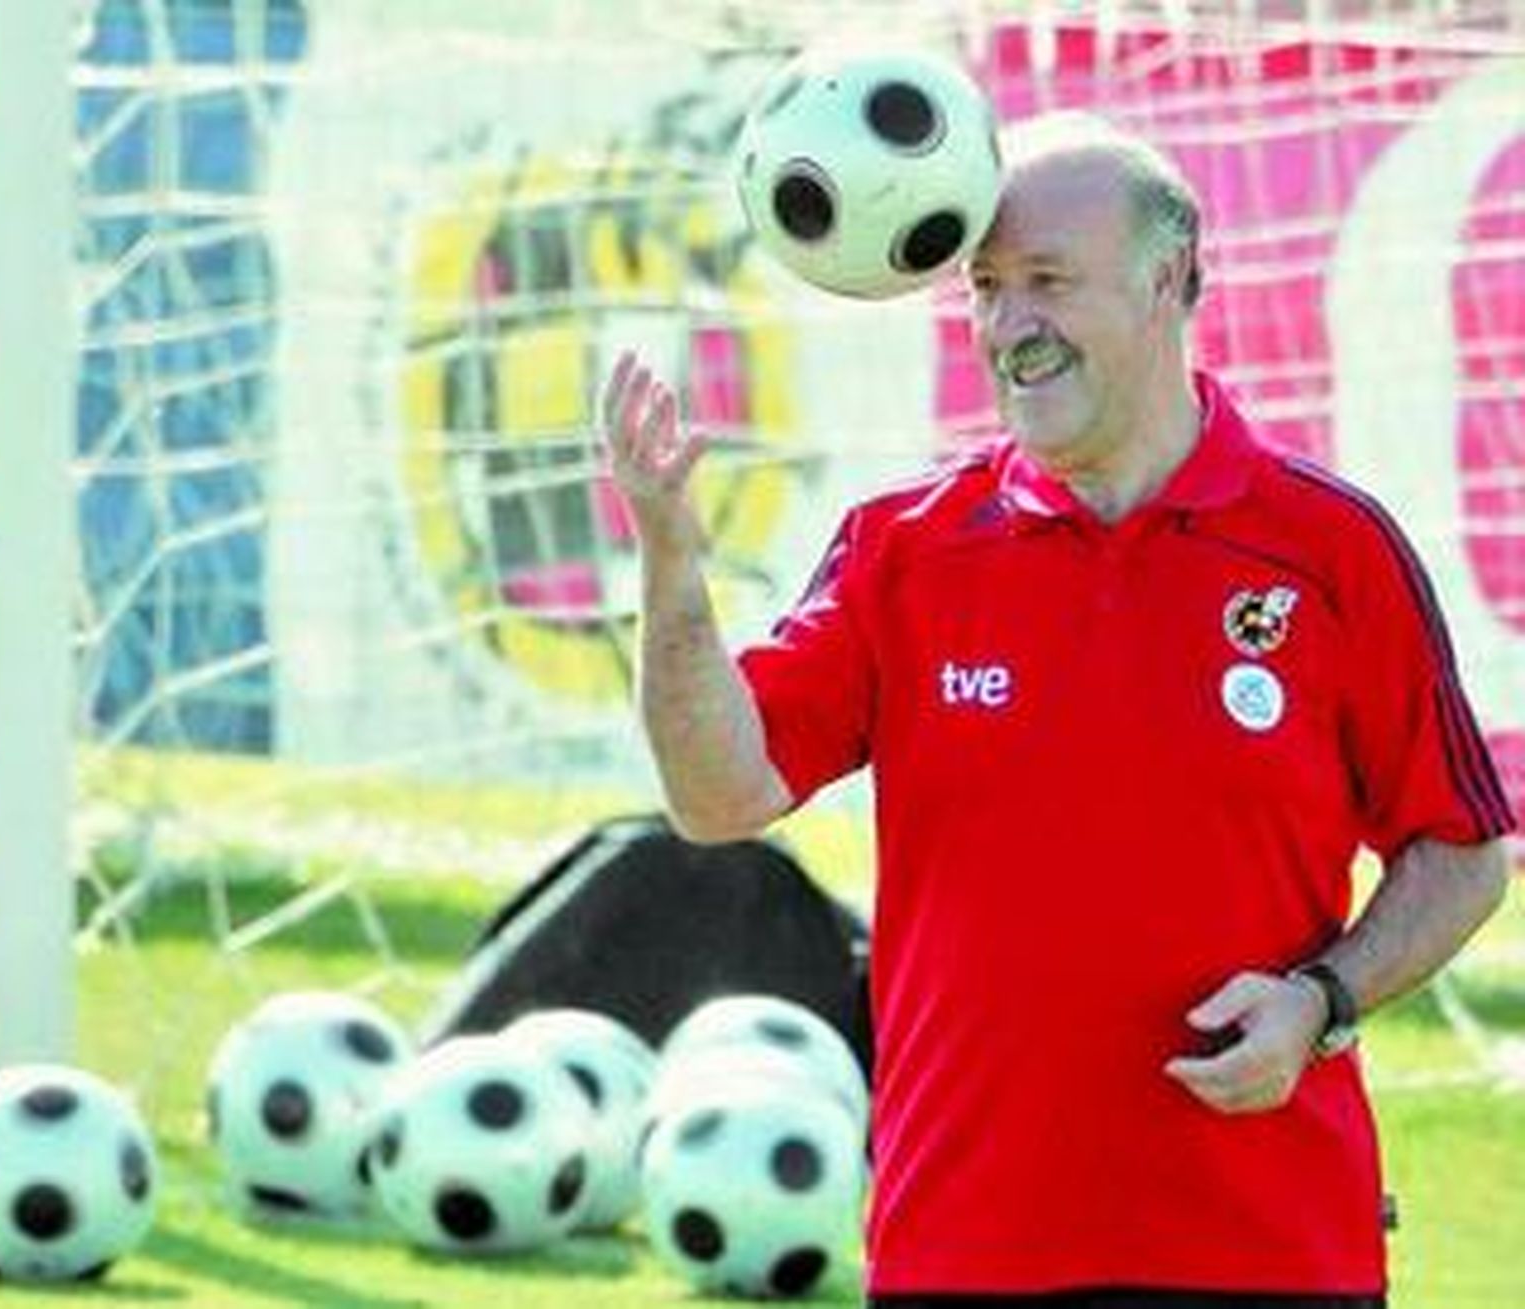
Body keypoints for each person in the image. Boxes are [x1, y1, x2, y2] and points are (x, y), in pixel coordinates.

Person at [600, 109, 1515, 1309]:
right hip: (965, 1248)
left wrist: (1322, 999)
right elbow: (718, 796)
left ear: (1170, 281)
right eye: (985, 287)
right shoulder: (904, 553)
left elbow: (1460, 847)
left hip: (1269, 1253)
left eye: (1046, 281)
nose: (1007, 324)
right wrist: (671, 565)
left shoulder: (1329, 553)